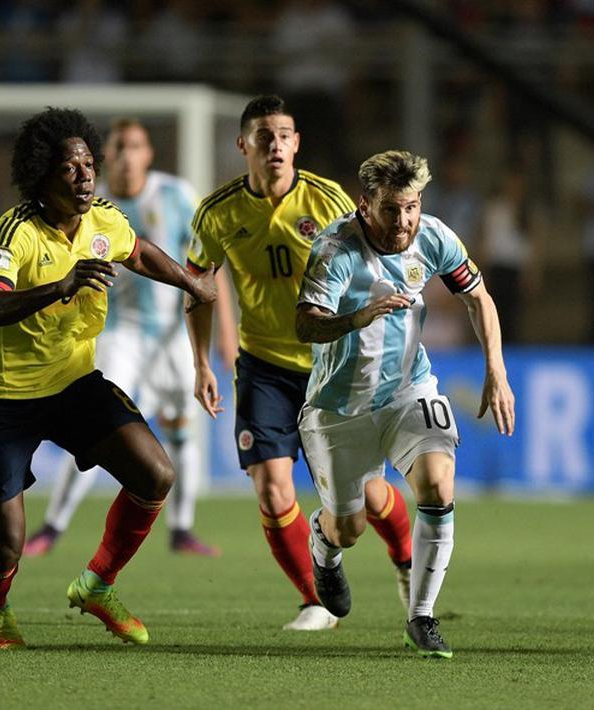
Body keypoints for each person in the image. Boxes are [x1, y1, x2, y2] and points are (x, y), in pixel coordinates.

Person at [0, 107, 218, 649]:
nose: (84, 176)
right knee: (6, 546)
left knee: (155, 474)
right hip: (1, 396)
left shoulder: (103, 218)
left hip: (74, 383)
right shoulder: (16, 233)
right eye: (69, 168)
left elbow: (139, 251)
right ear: (42, 175)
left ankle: (97, 584)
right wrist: (60, 286)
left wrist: (189, 282)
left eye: (87, 165)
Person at [183, 95, 414, 632]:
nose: (276, 144)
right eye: (264, 135)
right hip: (263, 366)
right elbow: (198, 288)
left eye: (285, 134)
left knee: (365, 497)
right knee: (271, 487)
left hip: (332, 366)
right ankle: (315, 599)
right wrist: (200, 362)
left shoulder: (328, 200)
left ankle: (404, 558)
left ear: (297, 144)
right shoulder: (217, 213)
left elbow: (373, 265)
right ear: (243, 145)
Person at [296, 150, 516, 658]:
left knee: (438, 482)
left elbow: (478, 298)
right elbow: (305, 324)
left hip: (407, 390)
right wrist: (358, 316)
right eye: (392, 210)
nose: (404, 221)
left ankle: (421, 617)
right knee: (348, 528)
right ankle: (323, 545)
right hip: (338, 409)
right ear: (365, 204)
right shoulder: (335, 251)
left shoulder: (434, 236)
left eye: (412, 207)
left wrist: (496, 370)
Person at [23, 119, 220, 558]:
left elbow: (206, 264)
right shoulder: (90, 200)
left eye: (136, 146)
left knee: (181, 428)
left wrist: (224, 332)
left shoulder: (175, 194)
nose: (128, 155)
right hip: (119, 332)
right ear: (109, 158)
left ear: (148, 154)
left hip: (172, 331)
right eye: (120, 147)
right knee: (100, 425)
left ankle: (182, 529)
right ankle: (53, 525)